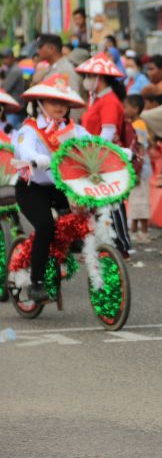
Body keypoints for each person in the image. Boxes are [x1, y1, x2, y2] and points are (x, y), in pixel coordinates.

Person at [12, 75, 89, 302]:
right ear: (40, 103)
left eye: (63, 102)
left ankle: (76, 249)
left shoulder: (72, 129)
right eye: (53, 101)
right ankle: (36, 282)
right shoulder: (30, 129)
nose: (59, 107)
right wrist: (36, 159)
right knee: (45, 226)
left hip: (60, 187)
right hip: (31, 188)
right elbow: (24, 150)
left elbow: (95, 143)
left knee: (90, 207)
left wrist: (124, 153)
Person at [76, 52, 132, 255]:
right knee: (99, 203)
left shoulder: (109, 101)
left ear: (99, 79)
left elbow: (107, 133)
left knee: (112, 203)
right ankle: (103, 244)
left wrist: (92, 153)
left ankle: (119, 246)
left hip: (104, 158)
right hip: (95, 156)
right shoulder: (97, 99)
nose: (86, 81)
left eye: (90, 76)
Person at [124, 94, 152, 243]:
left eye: (126, 107)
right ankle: (134, 231)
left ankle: (144, 232)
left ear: (135, 109)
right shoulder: (134, 123)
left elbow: (141, 147)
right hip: (136, 166)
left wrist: (138, 167)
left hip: (140, 168)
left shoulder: (138, 125)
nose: (124, 109)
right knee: (135, 200)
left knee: (141, 201)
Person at [37, 34, 84, 121]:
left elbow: (72, 102)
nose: (38, 51)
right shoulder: (53, 68)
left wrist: (68, 128)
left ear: (51, 48)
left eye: (40, 47)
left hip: (62, 126)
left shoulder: (65, 70)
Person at [1, 49, 24, 128]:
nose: (4, 60)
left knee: (7, 135)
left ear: (13, 58)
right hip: (10, 107)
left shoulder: (15, 70)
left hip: (14, 108)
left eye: (7, 58)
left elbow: (4, 89)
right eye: (3, 58)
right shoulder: (8, 69)